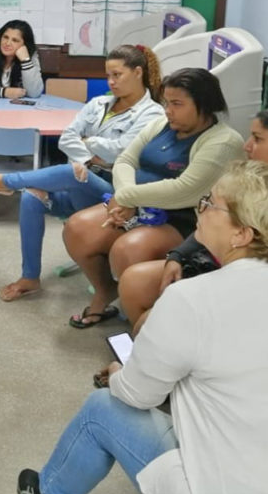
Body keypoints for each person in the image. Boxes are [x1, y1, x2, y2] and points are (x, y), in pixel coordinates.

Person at [17, 161, 268, 494]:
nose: (200, 209)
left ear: (241, 234)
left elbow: (139, 395)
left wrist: (118, 375)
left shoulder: (191, 298)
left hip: (252, 486)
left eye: (211, 203)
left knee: (102, 408)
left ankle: (47, 491)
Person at [119, 106, 268, 335]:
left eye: (257, 139)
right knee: (134, 283)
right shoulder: (261, 182)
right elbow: (214, 218)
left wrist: (200, 289)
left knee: (154, 322)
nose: (247, 146)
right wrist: (178, 256)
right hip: (231, 270)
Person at [0, 45, 164, 302]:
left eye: (117, 75)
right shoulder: (98, 104)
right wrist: (88, 155)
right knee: (32, 198)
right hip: (85, 182)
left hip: (115, 194)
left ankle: (7, 182)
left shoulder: (154, 113)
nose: (110, 82)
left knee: (72, 173)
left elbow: (121, 152)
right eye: (108, 75)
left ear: (138, 72)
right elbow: (67, 137)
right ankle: (30, 277)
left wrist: (88, 143)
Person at [62, 68, 244, 327]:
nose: (168, 110)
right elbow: (125, 159)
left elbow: (185, 189)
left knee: (128, 249)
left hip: (184, 218)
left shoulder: (223, 141)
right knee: (78, 229)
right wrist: (127, 200)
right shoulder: (161, 124)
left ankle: (143, 318)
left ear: (205, 105)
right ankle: (106, 291)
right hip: (135, 205)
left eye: (177, 104)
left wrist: (126, 198)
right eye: (166, 103)